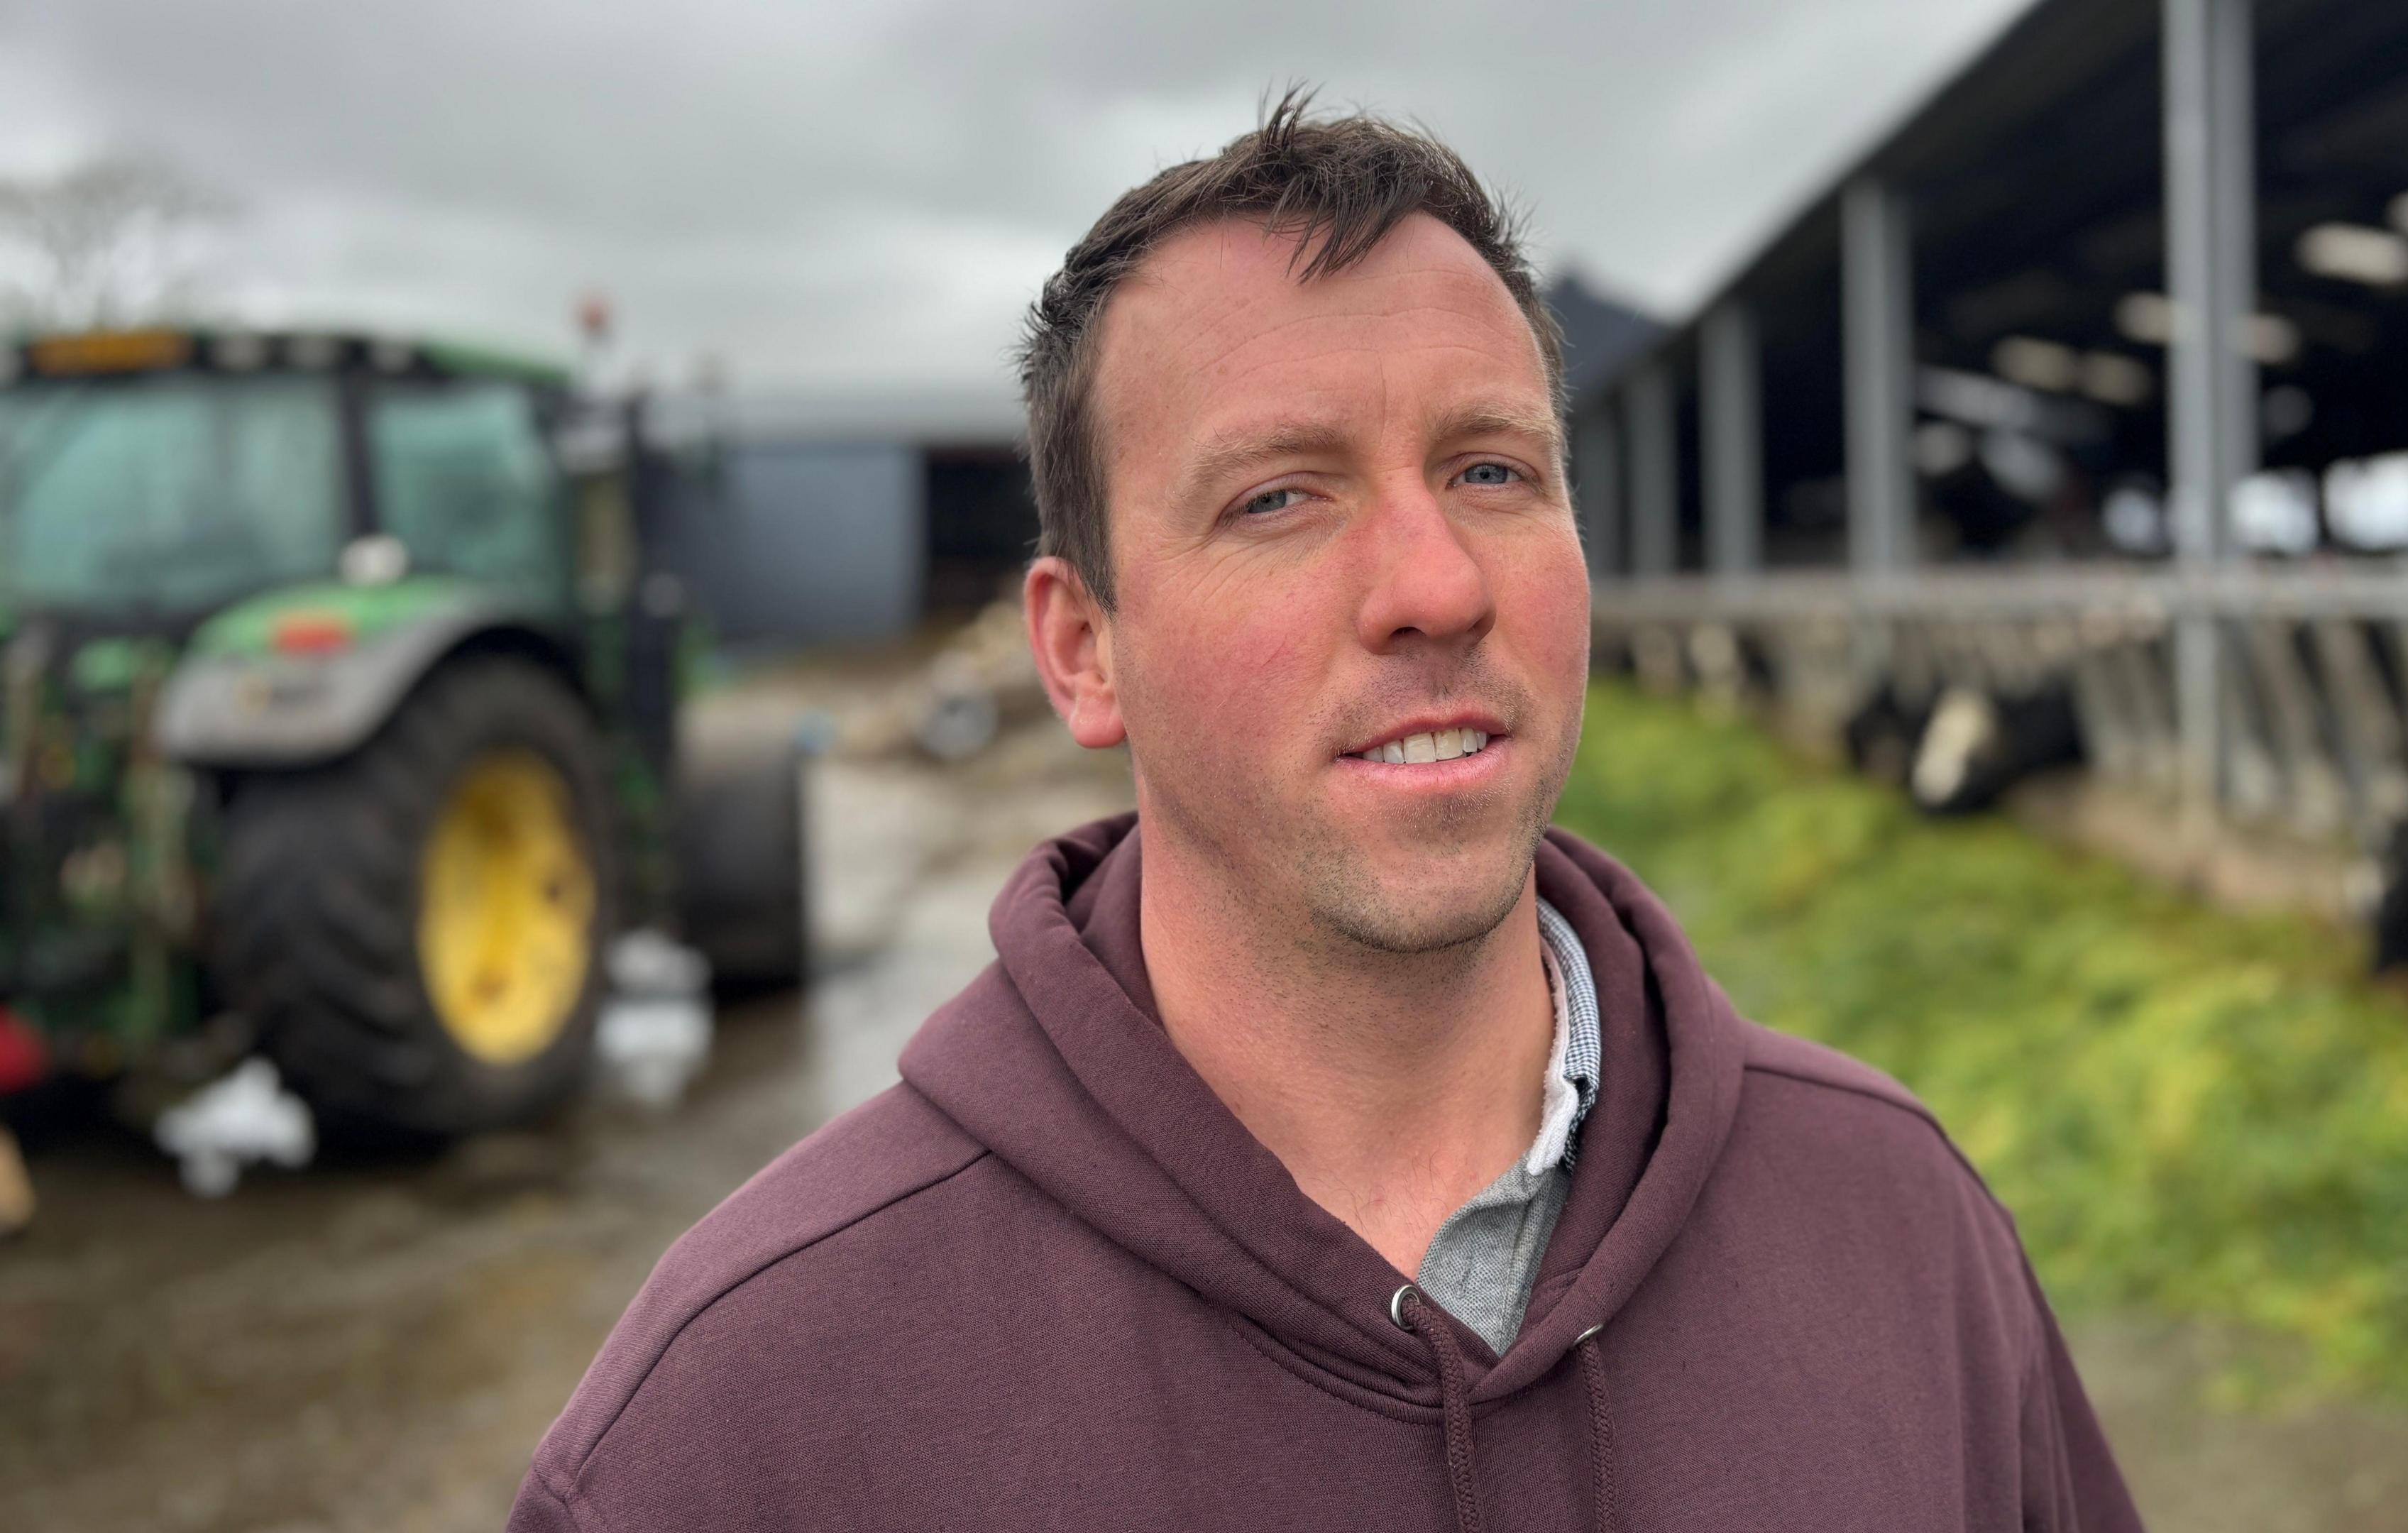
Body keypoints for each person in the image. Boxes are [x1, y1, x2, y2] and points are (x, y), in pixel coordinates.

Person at [510, 94, 2140, 1533]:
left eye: (1494, 471)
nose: (1437, 585)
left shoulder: (1901, 1228)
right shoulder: (745, 1422)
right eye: (1278, 498)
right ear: (1085, 651)